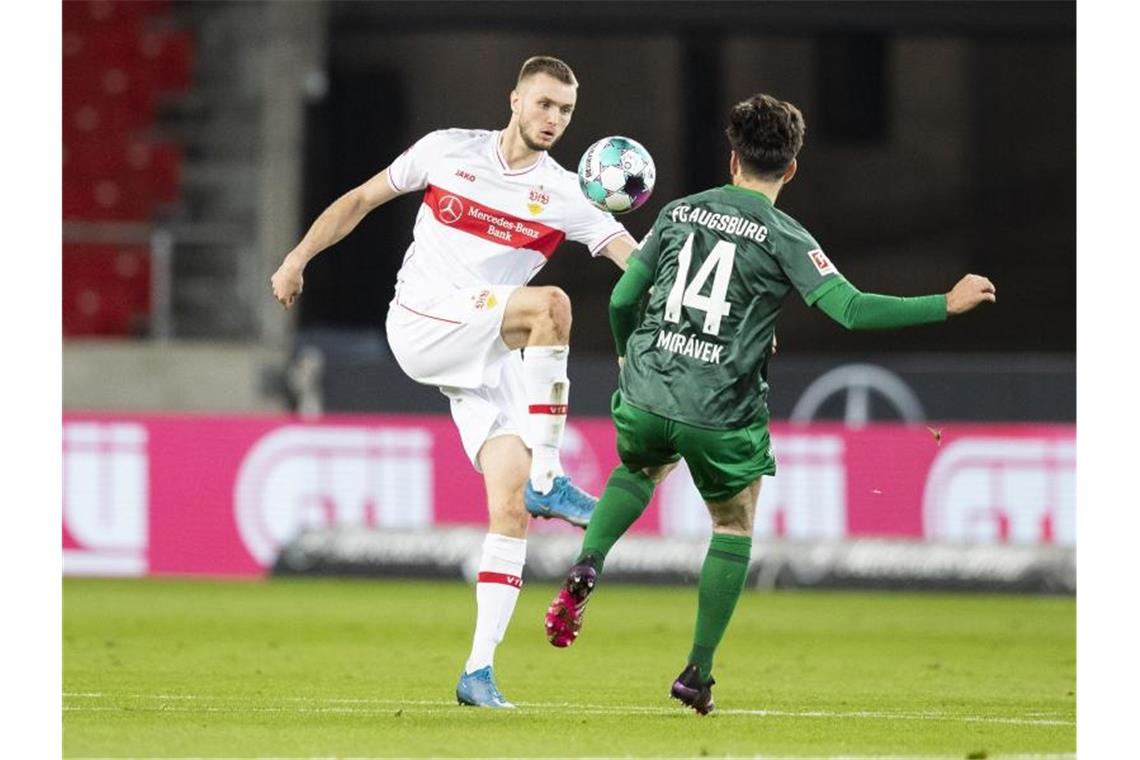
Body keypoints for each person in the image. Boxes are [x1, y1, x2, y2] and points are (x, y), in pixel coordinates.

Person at [543, 93, 997, 715]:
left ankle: (589, 561)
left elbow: (623, 301)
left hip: (648, 390)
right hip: (718, 409)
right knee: (732, 523)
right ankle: (696, 673)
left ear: (732, 161)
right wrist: (944, 303)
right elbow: (851, 309)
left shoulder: (678, 211)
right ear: (790, 170)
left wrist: (629, 357)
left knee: (638, 468)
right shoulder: (788, 237)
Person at [270, 56, 638, 708]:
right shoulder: (447, 152)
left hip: (485, 348)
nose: (553, 119)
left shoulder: (566, 193)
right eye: (544, 104)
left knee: (510, 505)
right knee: (550, 307)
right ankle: (552, 473)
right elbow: (361, 199)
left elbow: (631, 262)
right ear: (516, 99)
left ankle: (478, 671)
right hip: (420, 321)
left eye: (566, 111)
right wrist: (299, 258)